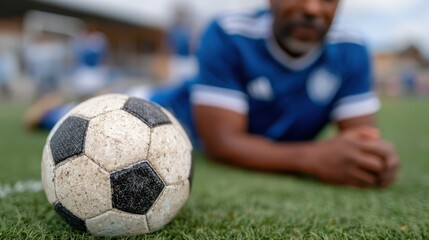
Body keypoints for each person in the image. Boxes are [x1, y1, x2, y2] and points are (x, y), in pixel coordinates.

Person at [25, 0, 400, 188]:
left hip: (259, 134)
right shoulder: (227, 33)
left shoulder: (352, 50)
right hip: (175, 112)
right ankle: (51, 111)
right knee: (103, 120)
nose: (314, 9)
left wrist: (370, 158)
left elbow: (359, 138)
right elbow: (223, 143)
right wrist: (313, 157)